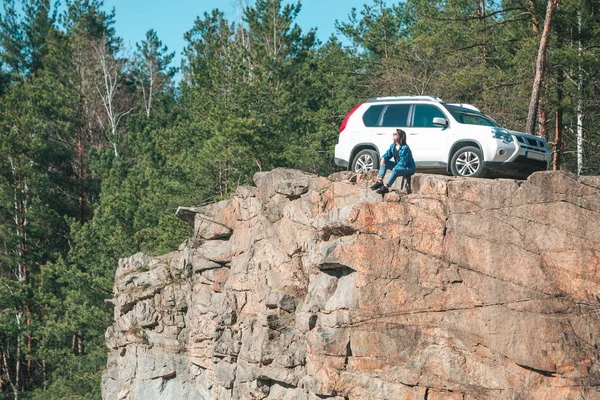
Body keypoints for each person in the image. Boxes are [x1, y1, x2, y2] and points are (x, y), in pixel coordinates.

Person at [370, 129, 416, 194]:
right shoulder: (393, 146)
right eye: (393, 134)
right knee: (385, 162)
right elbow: (388, 154)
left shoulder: (405, 148)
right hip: (399, 166)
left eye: (395, 134)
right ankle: (379, 181)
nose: (393, 135)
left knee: (395, 170)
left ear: (400, 136)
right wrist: (383, 158)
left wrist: (395, 168)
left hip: (408, 168)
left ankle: (386, 187)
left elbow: (403, 162)